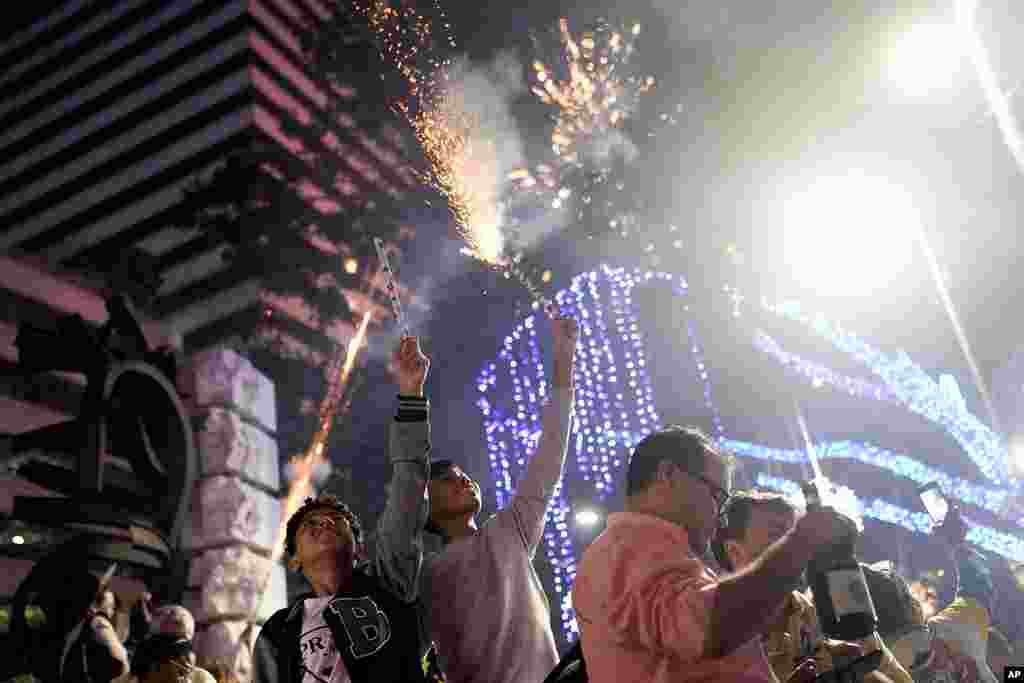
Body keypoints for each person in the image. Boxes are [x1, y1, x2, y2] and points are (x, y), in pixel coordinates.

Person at [571, 425, 858, 683]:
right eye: (717, 496)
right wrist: (801, 541)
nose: (720, 517)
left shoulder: (653, 551)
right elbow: (709, 627)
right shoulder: (627, 548)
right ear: (668, 475)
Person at [252, 336, 432, 683]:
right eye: (309, 526)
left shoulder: (388, 581)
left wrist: (411, 393)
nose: (323, 525)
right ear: (294, 560)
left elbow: (409, 487)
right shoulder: (277, 633)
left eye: (336, 521)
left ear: (359, 547)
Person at [420, 315, 578, 683]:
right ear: (423, 506)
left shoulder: (510, 529)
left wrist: (563, 359)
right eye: (446, 479)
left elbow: (551, 450)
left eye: (462, 475)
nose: (462, 480)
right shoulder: (427, 574)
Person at [712, 491, 912, 683]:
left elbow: (895, 677)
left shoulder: (818, 611)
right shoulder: (709, 628)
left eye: (795, 534)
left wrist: (858, 658)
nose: (798, 547)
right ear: (735, 552)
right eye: (778, 536)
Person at [62, 579, 131, 682]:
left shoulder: (80, 618)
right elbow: (119, 654)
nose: (112, 611)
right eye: (112, 607)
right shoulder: (99, 621)